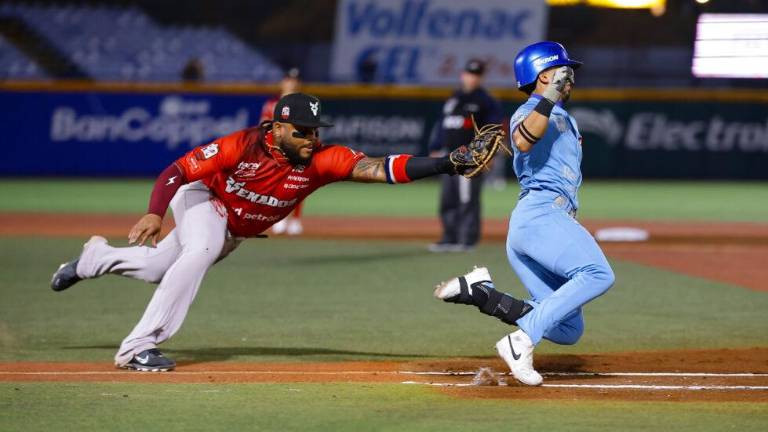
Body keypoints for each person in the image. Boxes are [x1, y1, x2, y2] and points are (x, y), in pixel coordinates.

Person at [50, 92, 487, 372]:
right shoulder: (242, 145)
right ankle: (137, 347)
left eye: (316, 132)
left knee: (157, 270)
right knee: (198, 249)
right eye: (302, 132)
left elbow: (384, 167)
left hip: (234, 227)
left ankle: (95, 259)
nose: (311, 140)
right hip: (202, 198)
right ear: (277, 127)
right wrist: (154, 213)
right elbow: (178, 169)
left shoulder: (321, 160)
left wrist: (446, 163)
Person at [433, 42, 615, 386]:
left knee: (568, 329)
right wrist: (548, 95)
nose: (570, 77)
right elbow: (523, 139)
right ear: (544, 74)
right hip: (541, 215)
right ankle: (521, 340)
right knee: (597, 273)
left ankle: (483, 293)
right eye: (564, 71)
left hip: (537, 224)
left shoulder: (558, 115)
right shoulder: (531, 110)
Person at [428, 59, 503, 253]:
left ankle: (466, 240)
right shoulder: (454, 98)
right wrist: (436, 146)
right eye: (470, 74)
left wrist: (488, 154)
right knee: (448, 198)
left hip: (471, 156)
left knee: (467, 198)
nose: (472, 78)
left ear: (481, 77)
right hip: (448, 155)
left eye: (476, 75)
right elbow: (443, 124)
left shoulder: (486, 101)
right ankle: (449, 238)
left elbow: (493, 130)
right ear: (463, 75)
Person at [260, 67, 304, 235]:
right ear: (282, 82)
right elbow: (263, 125)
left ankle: (296, 220)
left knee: (298, 183)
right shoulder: (271, 104)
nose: (291, 83)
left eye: (295, 80)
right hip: (275, 148)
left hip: (295, 147)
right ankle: (279, 218)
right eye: (288, 79)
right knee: (276, 185)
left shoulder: (303, 104)